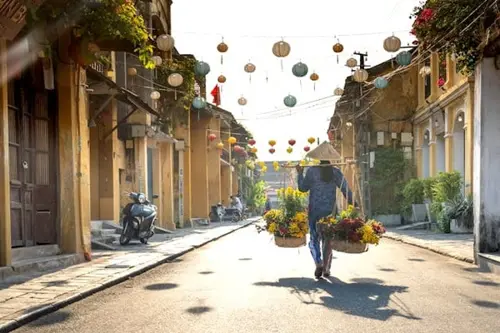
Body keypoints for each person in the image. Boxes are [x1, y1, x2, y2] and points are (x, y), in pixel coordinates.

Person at [296, 142, 355, 279]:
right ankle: (327, 267)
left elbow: (302, 188)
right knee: (328, 239)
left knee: (314, 238)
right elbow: (345, 189)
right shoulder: (335, 171)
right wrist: (354, 203)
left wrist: (300, 173)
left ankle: (318, 262)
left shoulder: (311, 171)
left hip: (315, 211)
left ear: (318, 159)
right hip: (330, 211)